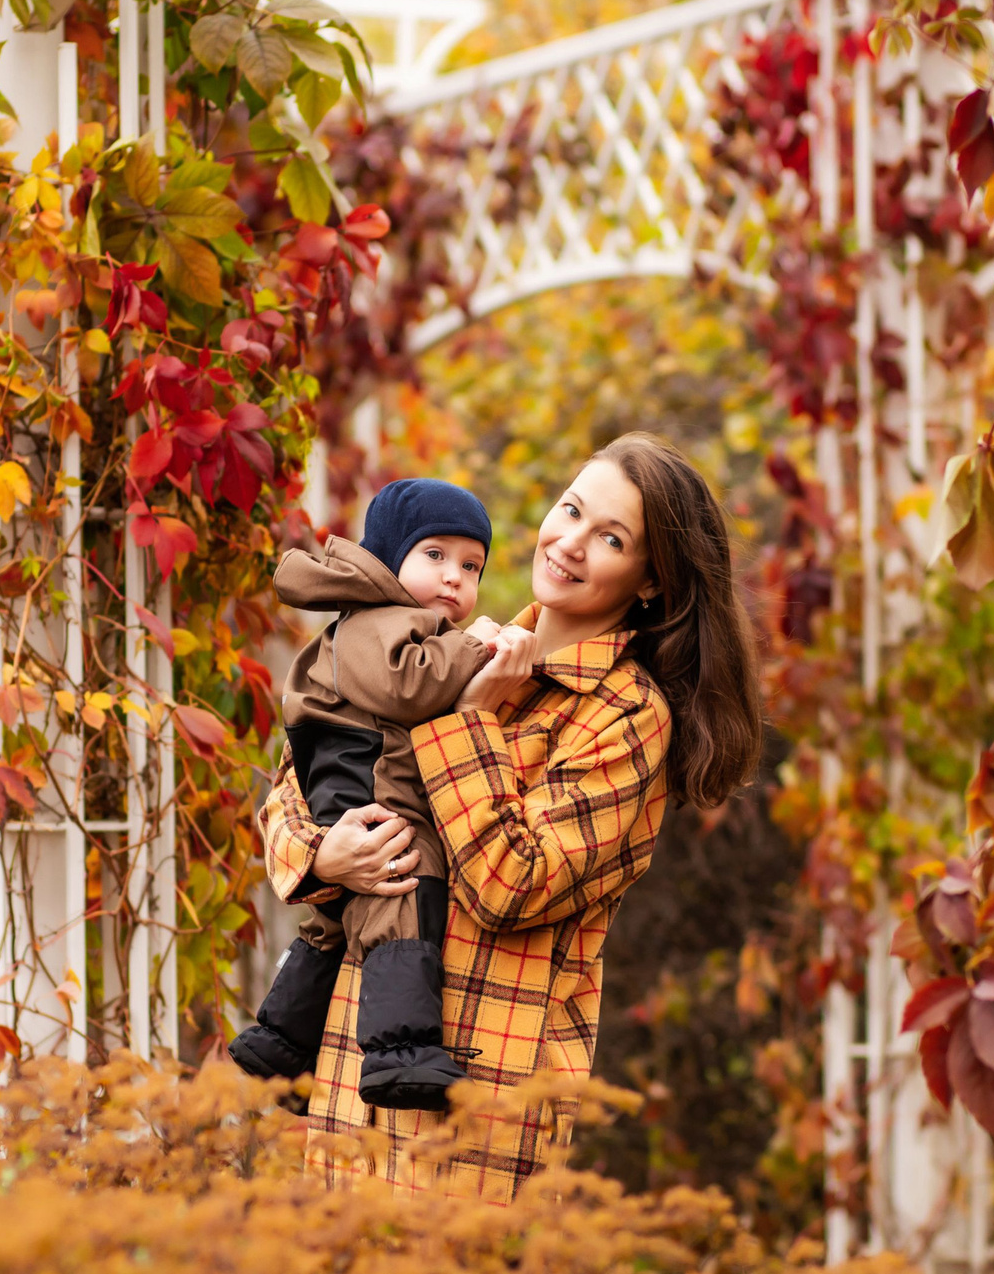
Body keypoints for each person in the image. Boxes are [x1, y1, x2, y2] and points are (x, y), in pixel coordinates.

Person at [258, 432, 763, 1199]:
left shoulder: (626, 717)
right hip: (350, 1081)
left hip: (479, 1107)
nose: (570, 543)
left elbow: (511, 883)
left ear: (652, 579)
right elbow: (300, 777)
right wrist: (320, 857)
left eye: (611, 537)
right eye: (571, 510)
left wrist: (465, 720)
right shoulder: (462, 646)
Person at [233, 478, 500, 1110]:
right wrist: (474, 648)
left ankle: (281, 1048)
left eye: (471, 565)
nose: (455, 578)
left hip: (353, 783)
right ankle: (399, 1056)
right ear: (388, 557)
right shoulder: (379, 622)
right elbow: (409, 689)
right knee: (406, 892)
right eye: (434, 555)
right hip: (366, 784)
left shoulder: (388, 618)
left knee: (333, 923)